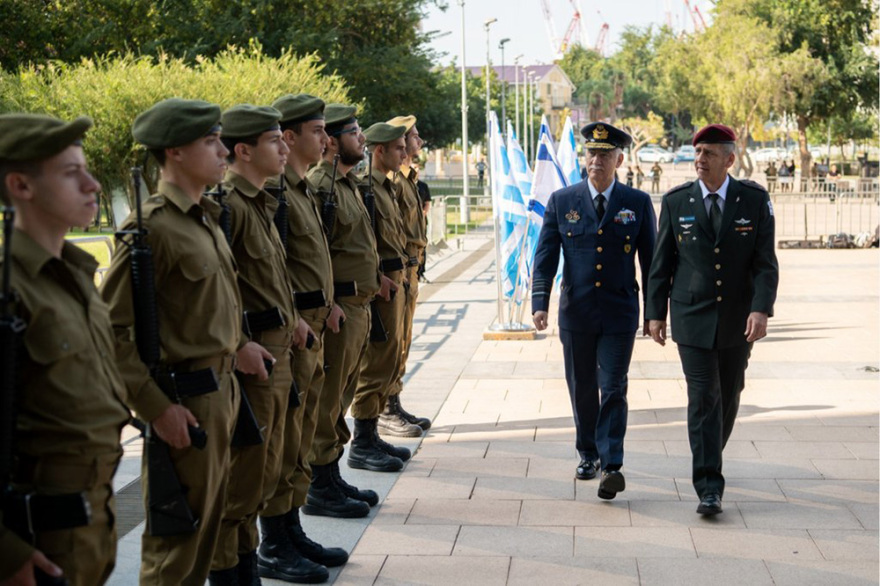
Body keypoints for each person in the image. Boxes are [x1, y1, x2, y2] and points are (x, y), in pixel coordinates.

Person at [102, 98, 267, 585]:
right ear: (174, 151)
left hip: (222, 392)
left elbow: (208, 305)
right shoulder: (150, 228)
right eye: (209, 142)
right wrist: (156, 408)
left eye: (220, 139)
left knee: (208, 532)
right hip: (185, 400)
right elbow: (112, 331)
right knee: (176, 548)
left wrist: (237, 344)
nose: (222, 151)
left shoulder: (204, 217)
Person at [0, 114, 130, 586]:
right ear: (21, 185)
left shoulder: (75, 275)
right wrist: (7, 553)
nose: (92, 183)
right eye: (71, 172)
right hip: (38, 533)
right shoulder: (11, 290)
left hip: (91, 513)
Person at [646, 124, 779, 516]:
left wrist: (761, 308)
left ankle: (708, 454)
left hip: (738, 318)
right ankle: (708, 487)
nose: (700, 160)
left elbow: (765, 264)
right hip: (691, 316)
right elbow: (661, 265)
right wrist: (654, 313)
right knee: (704, 397)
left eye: (708, 153)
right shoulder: (676, 202)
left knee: (730, 393)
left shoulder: (752, 199)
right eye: (697, 152)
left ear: (729, 159)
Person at [255, 95, 353, 583]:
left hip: (310, 325)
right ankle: (273, 541)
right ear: (290, 138)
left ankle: (290, 529)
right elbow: (270, 272)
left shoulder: (302, 190)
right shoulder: (274, 194)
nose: (327, 139)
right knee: (283, 440)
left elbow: (310, 260)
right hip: (288, 332)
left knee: (299, 435)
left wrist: (327, 301)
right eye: (317, 131)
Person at [531, 122, 656, 500]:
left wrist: (655, 312)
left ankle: (612, 463)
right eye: (591, 153)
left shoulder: (636, 203)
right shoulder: (562, 201)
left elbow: (651, 261)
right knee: (582, 387)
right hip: (577, 312)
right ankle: (588, 453)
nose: (596, 160)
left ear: (619, 159)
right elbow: (545, 256)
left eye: (604, 154)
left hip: (619, 312)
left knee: (613, 386)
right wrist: (540, 302)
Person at [210, 104, 303, 585]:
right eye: (274, 141)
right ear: (243, 151)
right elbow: (221, 292)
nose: (285, 147)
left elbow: (265, 279)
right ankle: (233, 572)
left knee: (267, 469)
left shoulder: (259, 202)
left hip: (277, 350)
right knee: (243, 479)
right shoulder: (227, 207)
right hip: (252, 359)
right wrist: (241, 342)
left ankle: (251, 564)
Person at [305, 104, 386, 506]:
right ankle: (320, 482)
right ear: (332, 143)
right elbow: (317, 253)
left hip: (359, 304)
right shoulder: (321, 185)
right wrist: (332, 300)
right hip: (340, 308)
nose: (362, 138)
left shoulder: (347, 183)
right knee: (329, 398)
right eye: (354, 133)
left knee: (342, 395)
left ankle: (331, 472)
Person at [349, 122, 410, 472]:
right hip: (382, 284)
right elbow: (367, 241)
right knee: (374, 365)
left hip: (395, 280)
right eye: (398, 148)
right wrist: (378, 278)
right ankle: (362, 440)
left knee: (389, 358)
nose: (403, 153)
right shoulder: (367, 188)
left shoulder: (386, 187)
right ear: (380, 150)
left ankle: (370, 435)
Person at [383, 115, 432, 437]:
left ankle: (394, 400)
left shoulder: (409, 178)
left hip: (411, 270)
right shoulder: (393, 181)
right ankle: (384, 409)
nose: (418, 141)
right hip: (399, 270)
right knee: (391, 343)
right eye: (413, 136)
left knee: (403, 341)